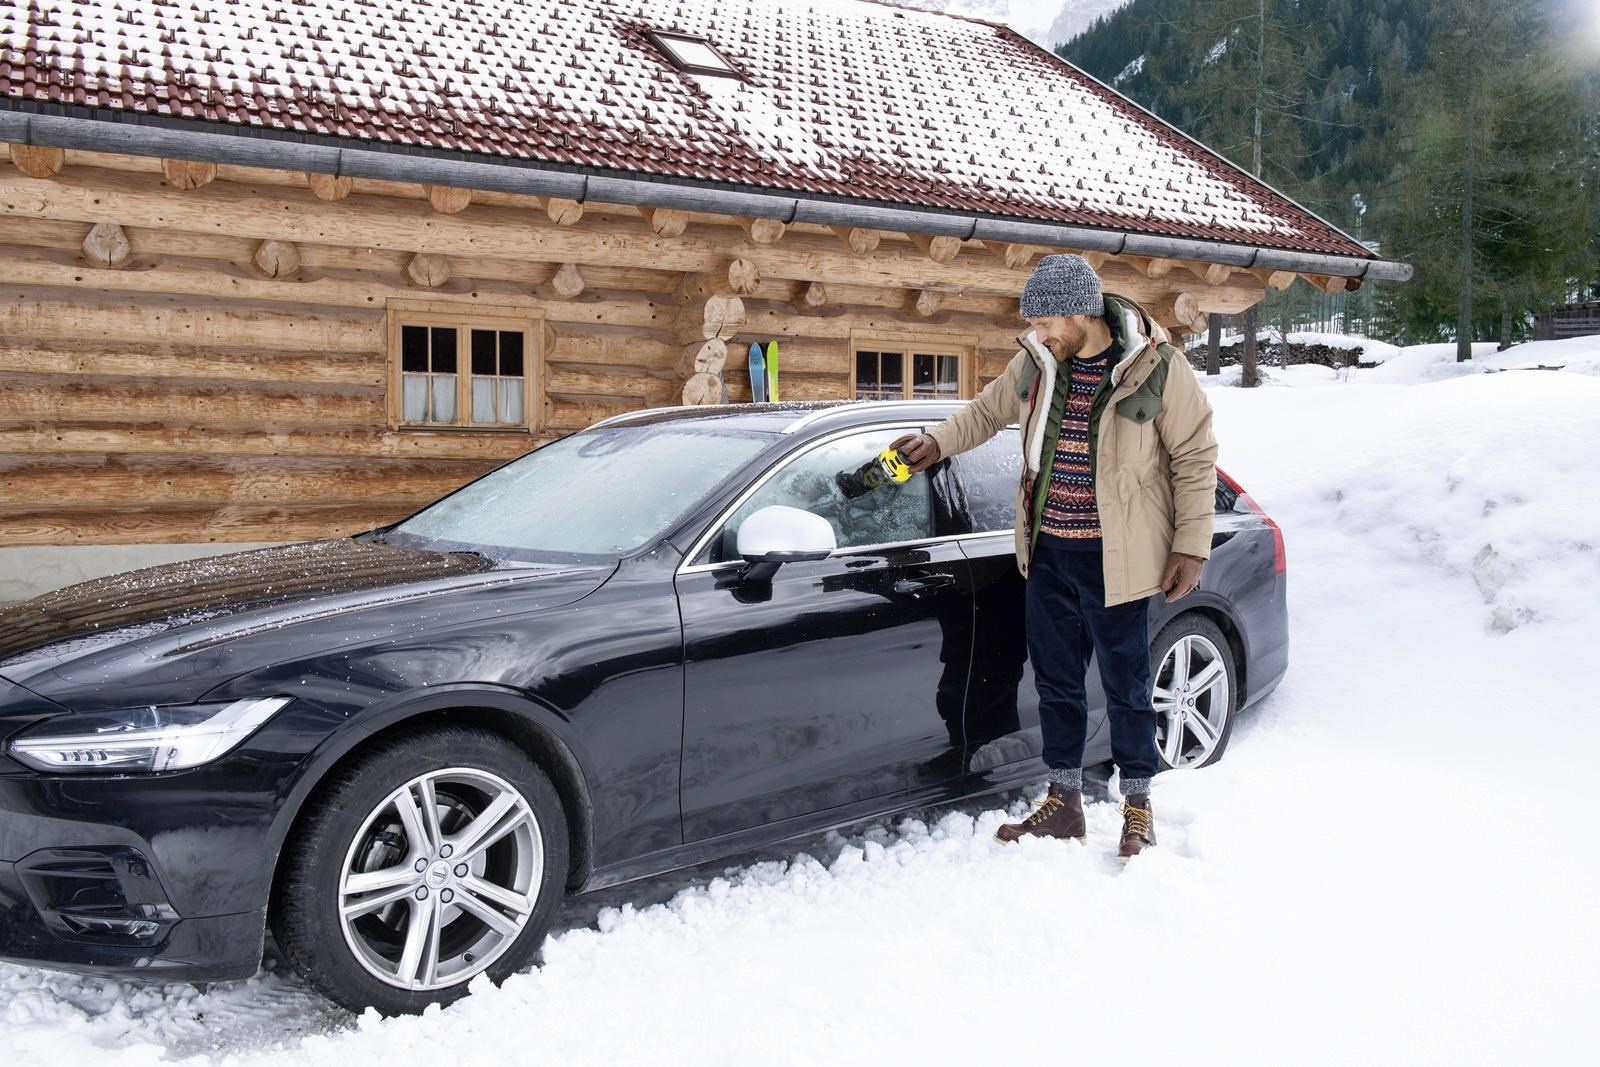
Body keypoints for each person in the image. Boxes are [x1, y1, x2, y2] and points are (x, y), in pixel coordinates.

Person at [892, 254, 1217, 862]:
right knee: (1057, 685)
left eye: (1045, 323)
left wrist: (1190, 546)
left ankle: (1137, 807)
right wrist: (936, 442)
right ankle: (1064, 801)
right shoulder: (1037, 365)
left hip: (1118, 559)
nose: (1038, 334)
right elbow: (986, 413)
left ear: (1079, 313)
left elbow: (1195, 458)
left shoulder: (1157, 366)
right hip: (1048, 554)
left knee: (1126, 686)